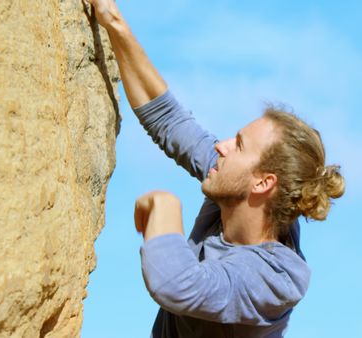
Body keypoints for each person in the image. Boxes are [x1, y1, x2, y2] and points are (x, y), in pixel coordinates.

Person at [85, 0, 345, 337]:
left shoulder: (276, 277)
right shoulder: (234, 191)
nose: (220, 146)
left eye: (238, 145)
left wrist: (165, 205)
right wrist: (115, 25)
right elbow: (169, 121)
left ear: (264, 183)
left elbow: (177, 284)